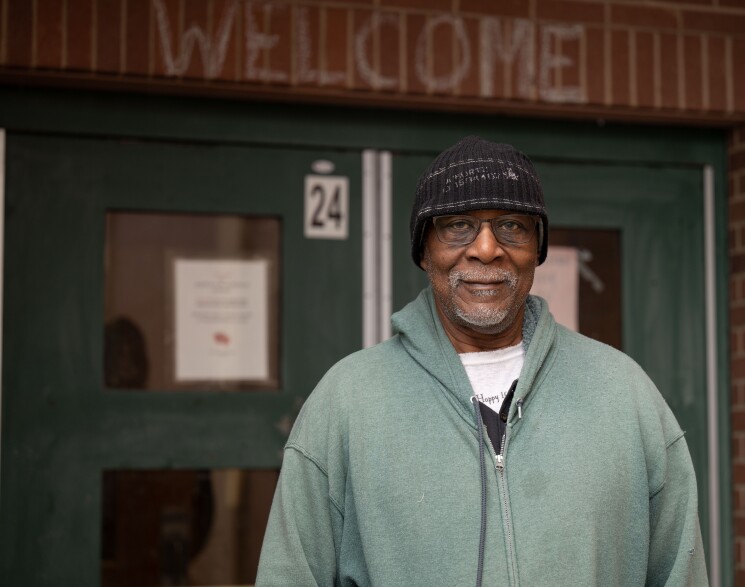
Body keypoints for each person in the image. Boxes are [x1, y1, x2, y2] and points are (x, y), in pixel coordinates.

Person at [256, 136, 708, 586]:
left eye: (511, 225)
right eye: (458, 225)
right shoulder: (347, 400)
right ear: (423, 250)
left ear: (537, 249)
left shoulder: (622, 393)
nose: (487, 248)